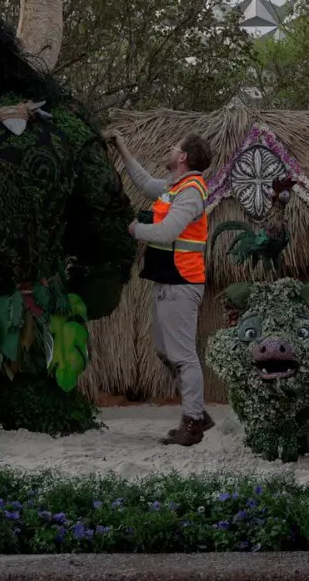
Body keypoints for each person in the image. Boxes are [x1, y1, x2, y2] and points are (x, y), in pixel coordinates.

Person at [105, 129, 214, 446]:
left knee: (183, 356)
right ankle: (197, 413)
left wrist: (136, 229)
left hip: (182, 282)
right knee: (166, 351)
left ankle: (193, 423)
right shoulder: (173, 187)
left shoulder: (191, 191)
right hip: (168, 281)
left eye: (174, 146)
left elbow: (167, 232)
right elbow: (143, 182)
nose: (168, 148)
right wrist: (122, 147)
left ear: (183, 157)